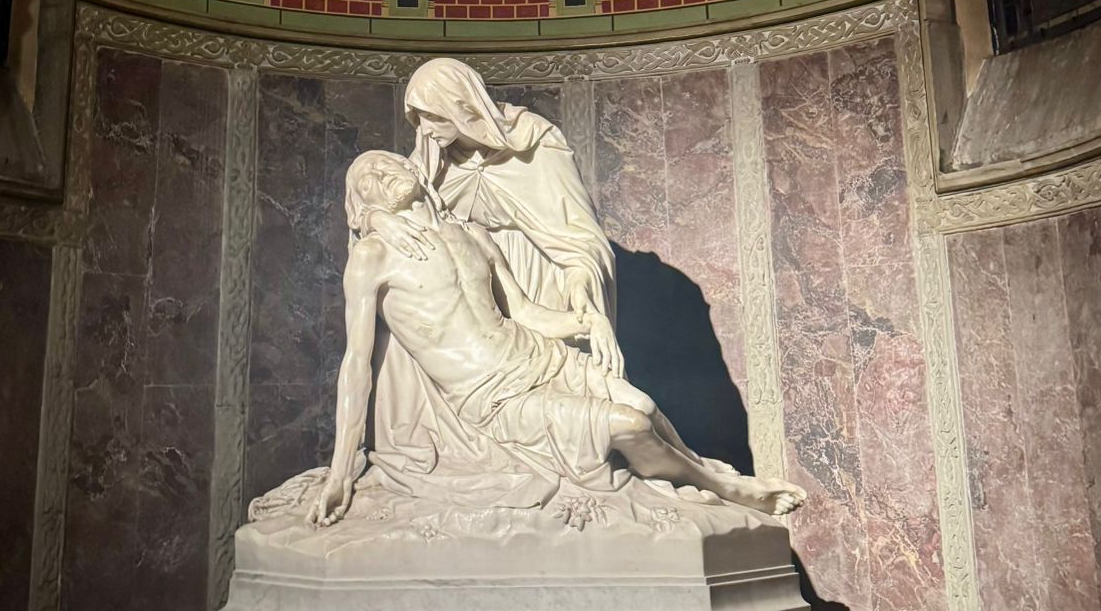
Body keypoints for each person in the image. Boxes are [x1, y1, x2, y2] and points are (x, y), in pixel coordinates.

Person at [312, 150, 804, 527]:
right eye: (367, 179)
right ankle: (724, 487)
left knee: (644, 405)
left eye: (386, 164)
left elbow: (525, 312)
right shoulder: (373, 255)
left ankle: (701, 475)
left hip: (536, 356)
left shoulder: (473, 235)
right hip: (492, 392)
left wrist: (589, 321)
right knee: (629, 423)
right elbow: (356, 364)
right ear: (364, 203)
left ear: (414, 169)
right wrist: (340, 472)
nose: (381, 175)